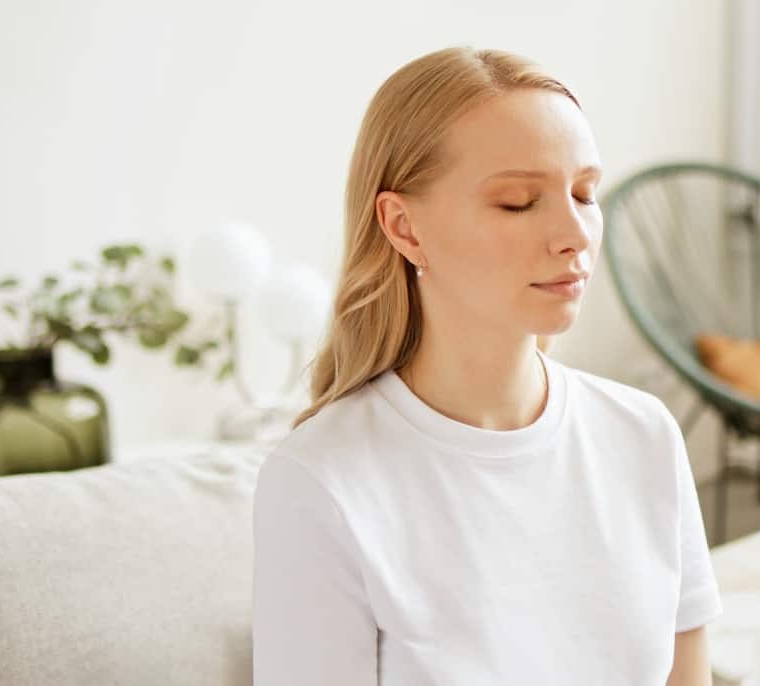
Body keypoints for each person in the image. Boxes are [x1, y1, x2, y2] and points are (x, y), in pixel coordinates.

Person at [251, 46, 723, 685]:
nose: (575, 233)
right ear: (404, 227)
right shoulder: (321, 482)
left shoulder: (644, 434)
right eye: (518, 202)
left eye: (585, 193)